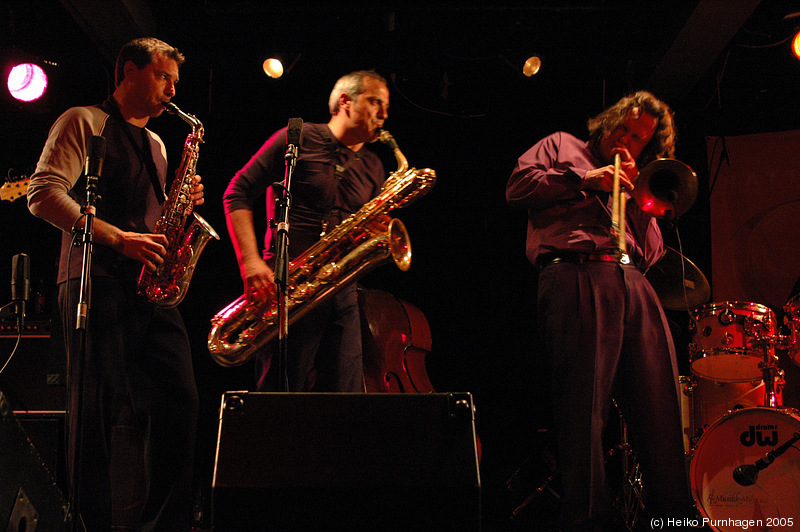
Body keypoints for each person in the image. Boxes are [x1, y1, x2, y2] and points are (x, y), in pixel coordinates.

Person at [27, 37, 201, 531]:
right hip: (94, 283)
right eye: (164, 77)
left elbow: (154, 217)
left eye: (175, 82)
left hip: (148, 288)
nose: (172, 90)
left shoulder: (161, 143)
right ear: (128, 71)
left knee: (181, 403)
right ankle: (90, 524)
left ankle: (161, 525)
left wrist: (183, 206)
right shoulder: (84, 121)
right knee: (97, 414)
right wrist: (116, 238)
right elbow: (42, 196)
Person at [506, 91, 694, 531]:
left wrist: (641, 204)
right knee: (583, 411)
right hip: (576, 273)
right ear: (607, 122)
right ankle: (587, 519)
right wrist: (585, 179)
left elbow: (650, 253)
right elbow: (517, 187)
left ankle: (673, 520)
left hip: (633, 282)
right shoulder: (561, 145)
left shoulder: (635, 179)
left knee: (662, 408)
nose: (628, 141)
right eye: (624, 129)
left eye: (640, 138)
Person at [223, 70, 390, 393]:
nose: (383, 114)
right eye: (375, 102)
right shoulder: (297, 137)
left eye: (385, 106)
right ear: (345, 101)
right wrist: (251, 262)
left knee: (346, 400)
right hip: (288, 285)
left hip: (341, 290)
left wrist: (375, 231)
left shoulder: (374, 166)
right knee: (280, 394)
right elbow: (237, 192)